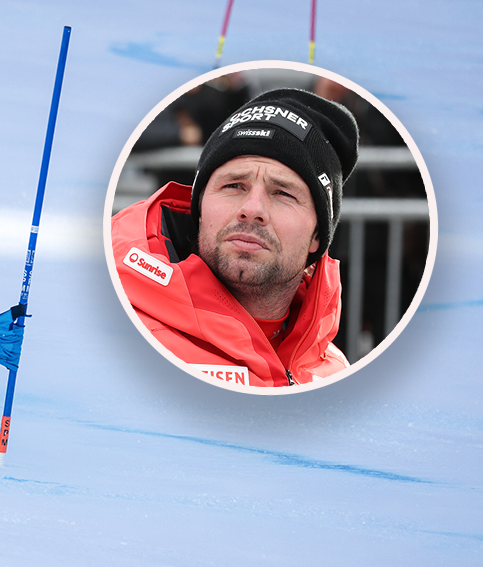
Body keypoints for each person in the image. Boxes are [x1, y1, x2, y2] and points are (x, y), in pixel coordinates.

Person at [112, 88, 359, 387]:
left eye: (282, 193)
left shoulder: (332, 370)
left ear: (317, 236)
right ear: (200, 208)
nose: (252, 210)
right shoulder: (118, 327)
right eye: (233, 186)